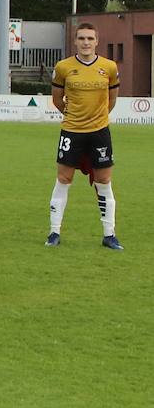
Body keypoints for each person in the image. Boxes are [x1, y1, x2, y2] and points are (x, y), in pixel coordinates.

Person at [47, 22, 122, 249]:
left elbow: (112, 100)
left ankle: (109, 234)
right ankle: (54, 232)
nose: (86, 43)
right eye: (81, 38)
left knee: (104, 180)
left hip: (99, 132)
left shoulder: (109, 67)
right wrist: (74, 117)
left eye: (90, 38)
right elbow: (57, 99)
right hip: (71, 131)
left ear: (97, 41)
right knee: (63, 179)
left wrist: (96, 119)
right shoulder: (63, 67)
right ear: (75, 41)